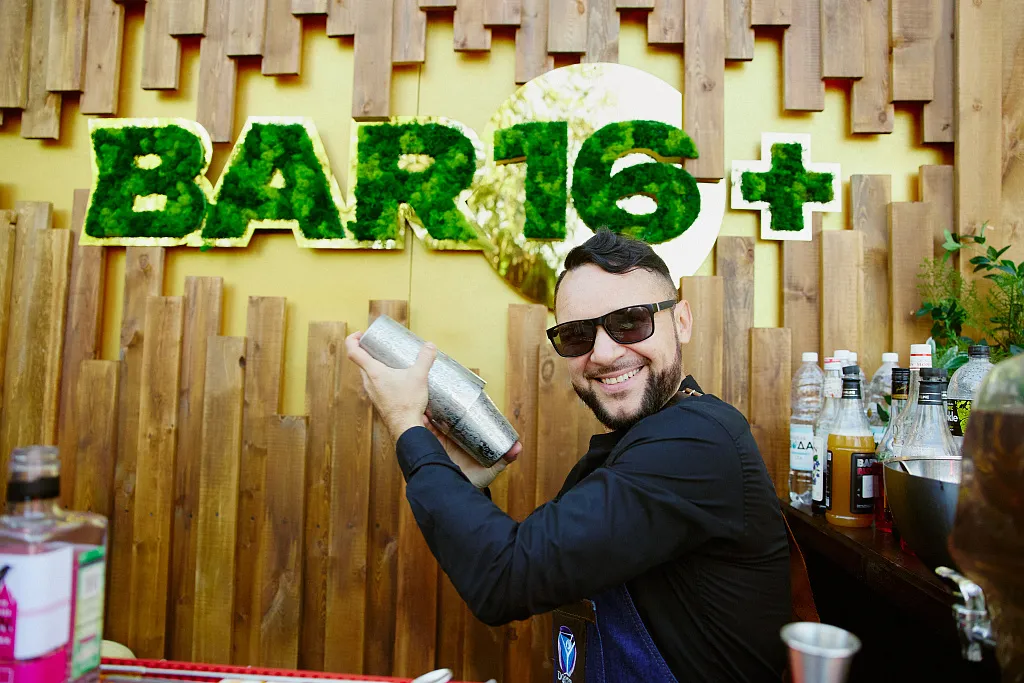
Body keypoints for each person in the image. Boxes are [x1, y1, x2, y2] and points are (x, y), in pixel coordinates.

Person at [345, 229, 792, 682]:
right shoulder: (631, 449)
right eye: (577, 335)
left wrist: (406, 424)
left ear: (682, 322)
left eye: (630, 322)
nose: (604, 353)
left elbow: (504, 579)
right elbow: (528, 563)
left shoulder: (697, 443)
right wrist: (463, 481)